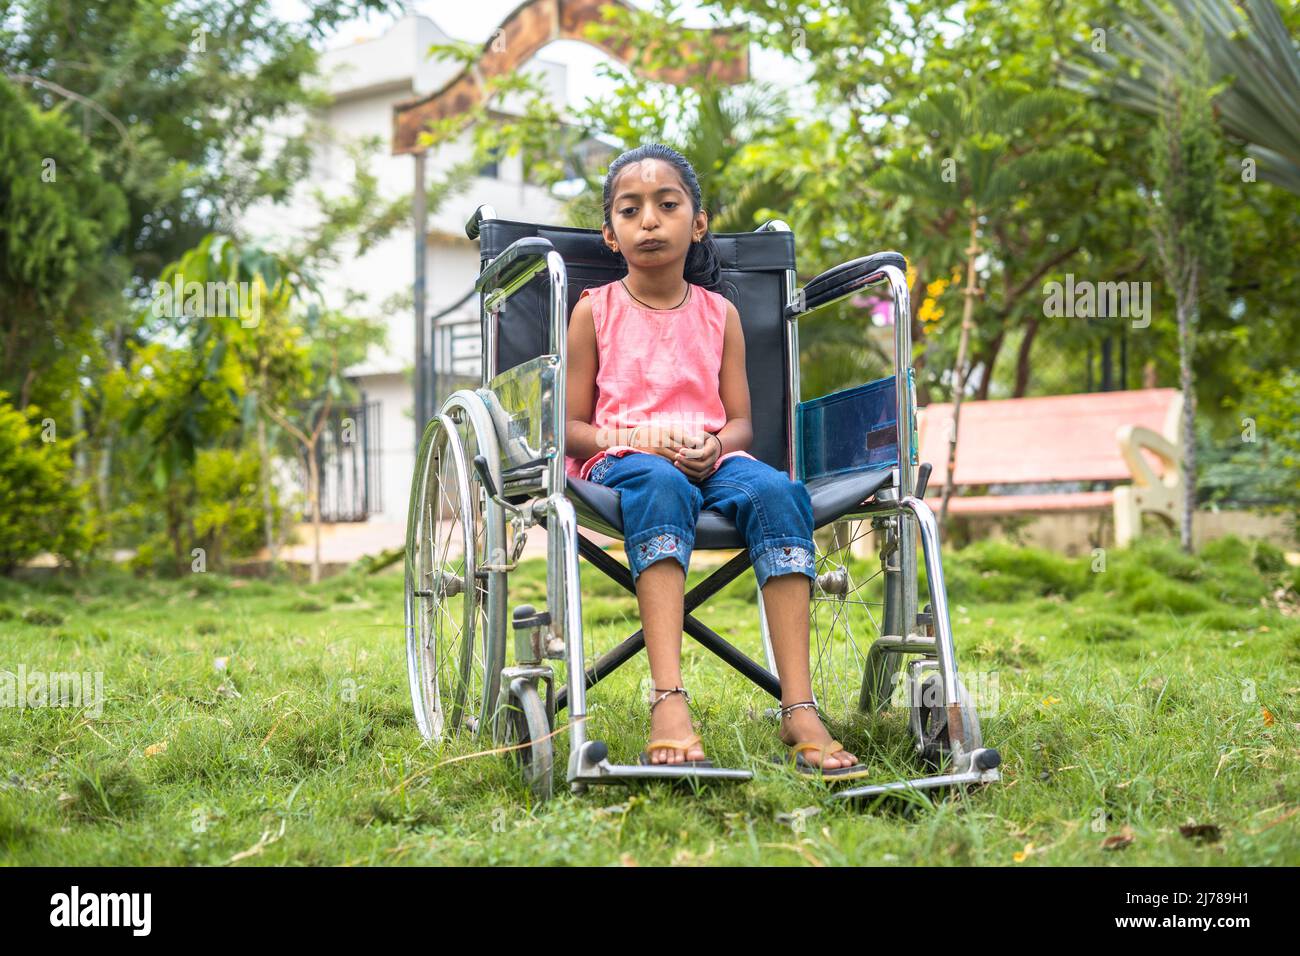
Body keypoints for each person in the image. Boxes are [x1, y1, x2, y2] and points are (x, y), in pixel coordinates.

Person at [564, 143, 861, 776]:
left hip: (711, 458)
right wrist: (642, 441)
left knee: (779, 492)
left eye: (667, 205)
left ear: (697, 223)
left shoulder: (718, 313)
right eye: (630, 209)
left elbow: (743, 423)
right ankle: (669, 700)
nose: (649, 221)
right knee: (659, 481)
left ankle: (799, 704)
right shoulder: (594, 311)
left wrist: (716, 445)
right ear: (610, 234)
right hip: (622, 461)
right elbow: (568, 430)